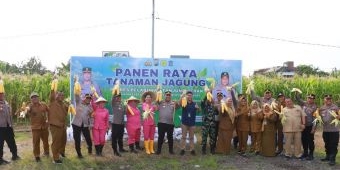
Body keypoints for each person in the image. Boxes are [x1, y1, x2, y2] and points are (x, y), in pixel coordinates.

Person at [27, 92, 49, 162]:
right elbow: (27, 110)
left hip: (44, 127)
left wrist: (49, 120)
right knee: (36, 142)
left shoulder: (44, 105)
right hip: (35, 128)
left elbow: (49, 111)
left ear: (38, 98)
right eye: (33, 97)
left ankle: (46, 152)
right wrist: (26, 110)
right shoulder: (30, 106)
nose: (34, 98)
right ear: (31, 99)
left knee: (46, 141)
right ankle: (37, 156)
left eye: (36, 97)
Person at [295, 93, 317, 160]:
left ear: (313, 99)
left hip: (310, 126)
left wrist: (313, 128)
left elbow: (316, 119)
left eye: (311, 99)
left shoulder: (315, 107)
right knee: (304, 140)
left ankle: (311, 154)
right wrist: (297, 92)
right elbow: (298, 99)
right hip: (303, 126)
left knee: (310, 140)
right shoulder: (304, 103)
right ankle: (305, 153)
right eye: (309, 98)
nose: (310, 100)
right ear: (307, 98)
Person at [0, 89, 20, 165]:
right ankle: (0, 160)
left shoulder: (6, 103)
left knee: (12, 142)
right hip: (0, 128)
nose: (1, 95)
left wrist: (11, 125)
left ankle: (15, 155)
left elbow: (10, 116)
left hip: (8, 126)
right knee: (0, 144)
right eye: (0, 94)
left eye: (2, 94)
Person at [156, 91, 179, 155]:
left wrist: (177, 103)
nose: (168, 96)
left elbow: (178, 106)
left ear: (171, 96)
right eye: (167, 95)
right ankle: (158, 150)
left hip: (170, 123)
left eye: (169, 95)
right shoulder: (160, 102)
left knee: (170, 137)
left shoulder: (173, 103)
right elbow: (156, 100)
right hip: (161, 123)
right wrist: (158, 92)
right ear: (164, 96)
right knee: (160, 137)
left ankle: (171, 150)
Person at [48, 90, 68, 164]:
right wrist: (53, 86)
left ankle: (61, 152)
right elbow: (52, 94)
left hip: (63, 125)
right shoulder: (52, 102)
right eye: (59, 95)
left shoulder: (63, 104)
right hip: (55, 125)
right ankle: (55, 158)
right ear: (55, 96)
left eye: (62, 95)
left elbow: (68, 110)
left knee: (63, 140)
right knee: (56, 142)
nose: (61, 96)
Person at [320, 94, 340, 166]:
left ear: (331, 100)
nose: (328, 100)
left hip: (334, 130)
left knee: (333, 145)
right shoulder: (321, 108)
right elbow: (318, 116)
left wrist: (338, 116)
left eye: (330, 99)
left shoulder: (336, 107)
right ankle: (327, 156)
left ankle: (332, 159)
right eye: (327, 99)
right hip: (325, 130)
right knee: (327, 144)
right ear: (324, 100)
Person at [71, 93, 93, 158]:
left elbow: (91, 116)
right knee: (77, 139)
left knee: (88, 138)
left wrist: (91, 124)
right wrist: (76, 87)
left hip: (85, 125)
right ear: (84, 98)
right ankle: (79, 153)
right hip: (76, 124)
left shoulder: (90, 107)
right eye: (87, 98)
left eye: (90, 98)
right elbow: (76, 96)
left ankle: (90, 149)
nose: (88, 99)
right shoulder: (79, 102)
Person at [179, 91, 200, 156]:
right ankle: (182, 149)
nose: (189, 96)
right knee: (183, 137)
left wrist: (198, 108)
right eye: (188, 95)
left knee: (191, 137)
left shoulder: (194, 103)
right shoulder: (184, 102)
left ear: (192, 96)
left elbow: (199, 111)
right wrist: (182, 96)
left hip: (192, 123)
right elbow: (179, 103)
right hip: (184, 123)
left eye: (190, 95)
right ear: (186, 96)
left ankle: (192, 150)